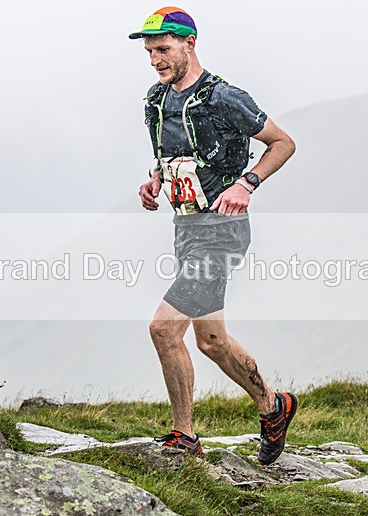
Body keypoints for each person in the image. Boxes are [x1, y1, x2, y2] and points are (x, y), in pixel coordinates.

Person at [131, 7, 297, 465]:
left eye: (162, 50)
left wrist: (248, 184)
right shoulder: (156, 100)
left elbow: (283, 143)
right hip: (185, 228)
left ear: (190, 44)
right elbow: (169, 156)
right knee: (211, 342)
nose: (155, 60)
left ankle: (183, 435)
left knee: (163, 328)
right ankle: (273, 406)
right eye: (149, 52)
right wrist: (154, 181)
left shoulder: (225, 97)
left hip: (221, 233)